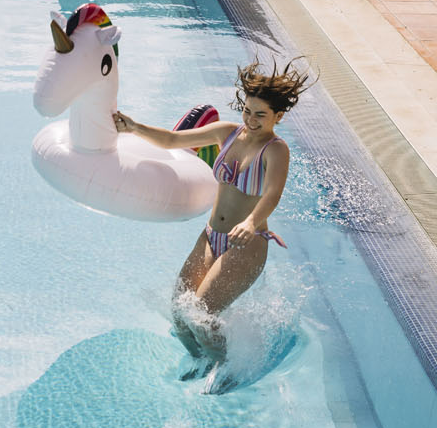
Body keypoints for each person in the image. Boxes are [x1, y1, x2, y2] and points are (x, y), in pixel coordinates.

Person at [113, 58, 313, 363]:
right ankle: (200, 360)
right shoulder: (227, 133)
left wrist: (250, 222)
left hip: (246, 242)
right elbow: (171, 140)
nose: (251, 120)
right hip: (210, 237)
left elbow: (273, 193)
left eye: (261, 115)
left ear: (278, 116)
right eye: (247, 111)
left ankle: (224, 366)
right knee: (180, 314)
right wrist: (134, 127)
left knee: (202, 316)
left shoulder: (275, 149)